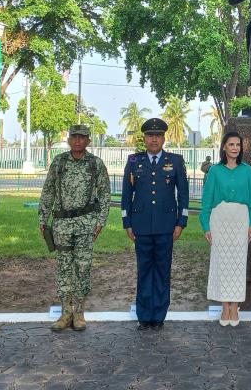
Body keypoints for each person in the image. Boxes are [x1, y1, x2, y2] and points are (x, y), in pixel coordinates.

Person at [38, 124, 111, 332]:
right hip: (61, 224)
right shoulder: (59, 162)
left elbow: (105, 195)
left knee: (83, 266)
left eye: (82, 137)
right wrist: (43, 219)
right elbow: (48, 191)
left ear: (89, 141)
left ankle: (79, 312)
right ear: (69, 139)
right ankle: (65, 312)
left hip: (86, 223)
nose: (78, 141)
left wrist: (100, 221)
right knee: (63, 267)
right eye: (74, 137)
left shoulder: (95, 164)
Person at [121, 118, 190, 330]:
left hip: (166, 226)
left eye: (158, 135)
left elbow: (184, 195)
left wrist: (181, 222)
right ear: (144, 138)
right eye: (150, 135)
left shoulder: (175, 161)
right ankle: (144, 315)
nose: (154, 139)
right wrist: (127, 222)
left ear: (164, 138)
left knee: (162, 270)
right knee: (144, 271)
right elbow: (126, 194)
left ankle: (159, 315)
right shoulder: (134, 161)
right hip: (140, 225)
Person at [200, 132, 251, 327]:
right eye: (231, 144)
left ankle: (235, 306)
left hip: (240, 220)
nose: (235, 148)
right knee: (221, 263)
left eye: (238, 145)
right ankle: (224, 306)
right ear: (224, 147)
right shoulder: (215, 171)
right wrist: (206, 225)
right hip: (220, 220)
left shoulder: (247, 171)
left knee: (237, 264)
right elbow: (207, 200)